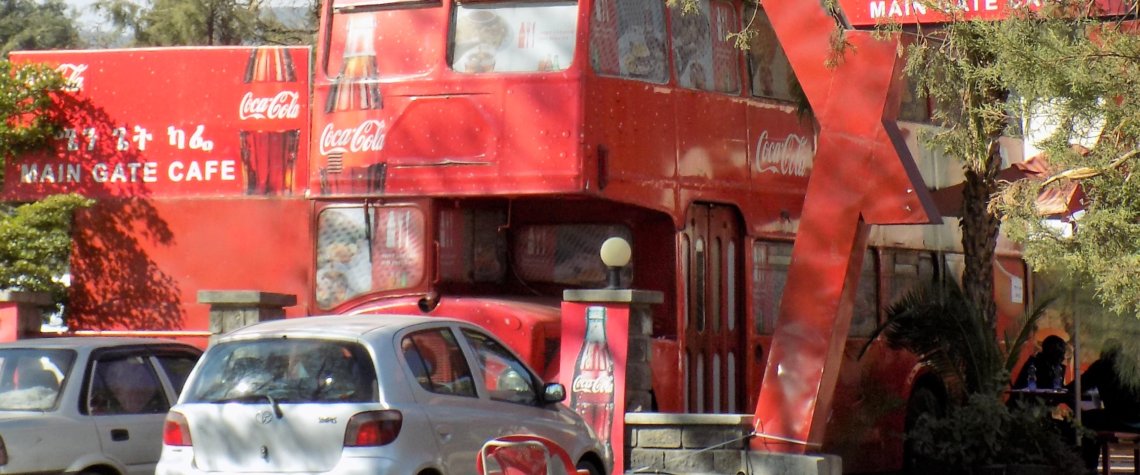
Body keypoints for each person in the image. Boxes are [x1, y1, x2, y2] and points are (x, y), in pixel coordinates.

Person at [1070, 339, 1140, 471]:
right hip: (1137, 421)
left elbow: (1077, 387)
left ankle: (1088, 467)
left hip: (1121, 419)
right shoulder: (1131, 364)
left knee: (1085, 421)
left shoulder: (1101, 366)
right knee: (1092, 418)